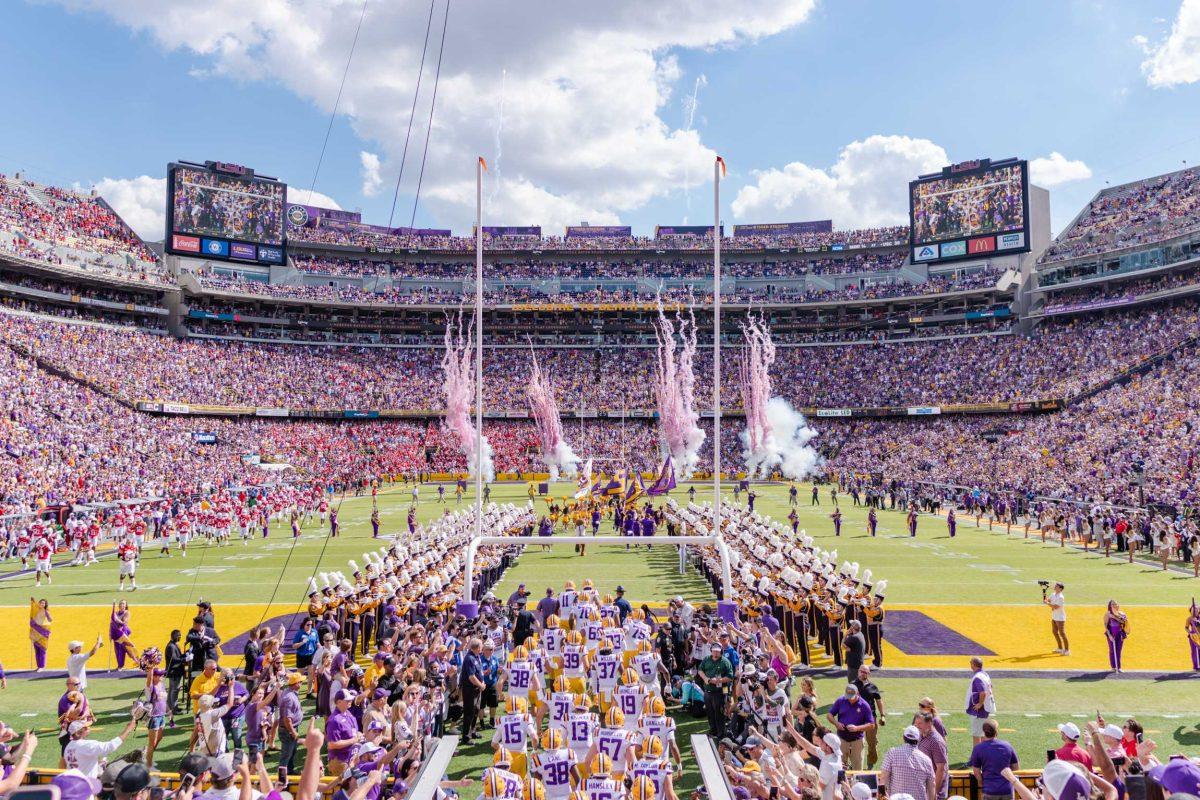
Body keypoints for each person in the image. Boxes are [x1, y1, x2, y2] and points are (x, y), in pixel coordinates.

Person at [63, 704, 145, 779]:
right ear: (78, 732)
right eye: (86, 727)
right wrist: (128, 730)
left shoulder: (69, 746)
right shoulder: (87, 745)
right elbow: (111, 746)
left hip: (73, 782)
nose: (88, 727)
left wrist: (98, 763)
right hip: (86, 786)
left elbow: (80, 761)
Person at [880, 725, 936, 800]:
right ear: (918, 739)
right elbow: (932, 787)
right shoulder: (927, 760)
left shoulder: (892, 753)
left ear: (904, 738)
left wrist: (884, 796)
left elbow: (883, 780)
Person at [826, 683, 875, 770]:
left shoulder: (864, 705)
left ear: (858, 694)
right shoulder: (841, 700)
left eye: (852, 697)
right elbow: (829, 715)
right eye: (848, 697)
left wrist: (857, 728)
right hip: (841, 740)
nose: (850, 699)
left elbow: (871, 725)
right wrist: (836, 723)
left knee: (857, 769)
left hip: (857, 742)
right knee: (840, 768)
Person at [969, 720, 1019, 800]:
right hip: (1007, 789)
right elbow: (1016, 767)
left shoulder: (978, 748)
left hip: (989, 790)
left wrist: (981, 781)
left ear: (984, 732)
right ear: (996, 731)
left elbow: (976, 771)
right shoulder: (1007, 746)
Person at [697, 642, 734, 740]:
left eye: (717, 651)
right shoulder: (706, 660)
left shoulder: (725, 662)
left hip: (719, 692)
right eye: (714, 651)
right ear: (711, 651)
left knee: (719, 713)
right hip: (708, 691)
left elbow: (730, 677)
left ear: (721, 651)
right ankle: (713, 730)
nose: (716, 653)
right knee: (710, 712)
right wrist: (705, 678)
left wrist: (719, 680)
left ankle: (721, 733)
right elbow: (700, 670)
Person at [853, 664, 885, 769]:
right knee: (854, 742)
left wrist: (882, 715)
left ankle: (870, 765)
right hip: (856, 718)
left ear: (868, 674)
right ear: (858, 671)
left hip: (871, 719)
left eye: (865, 672)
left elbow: (879, 702)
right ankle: (855, 765)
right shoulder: (852, 685)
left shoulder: (873, 687)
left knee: (872, 742)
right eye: (861, 671)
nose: (863, 673)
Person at [966, 657, 995, 745]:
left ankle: (977, 758)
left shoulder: (978, 677)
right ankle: (983, 756)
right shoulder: (985, 674)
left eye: (970, 663)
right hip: (986, 708)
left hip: (979, 711)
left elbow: (983, 692)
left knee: (976, 735)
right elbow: (990, 688)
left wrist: (980, 703)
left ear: (973, 665)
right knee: (983, 735)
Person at [1103, 600, 1128, 673]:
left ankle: (1119, 667)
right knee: (1112, 651)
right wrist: (1110, 635)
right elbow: (1105, 625)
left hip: (1120, 634)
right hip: (1111, 634)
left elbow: (1123, 622)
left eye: (1116, 604)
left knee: (1118, 650)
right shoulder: (1107, 614)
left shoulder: (1122, 613)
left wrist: (1114, 617)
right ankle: (1113, 667)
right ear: (1110, 606)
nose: (1114, 605)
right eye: (1112, 604)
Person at [1045, 582, 1069, 655]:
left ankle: (1067, 650)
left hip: (1060, 618)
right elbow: (1048, 600)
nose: (1055, 587)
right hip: (1054, 616)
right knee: (1055, 632)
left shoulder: (1061, 597)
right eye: (1055, 586)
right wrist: (1044, 594)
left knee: (1062, 633)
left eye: (1057, 586)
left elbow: (1055, 607)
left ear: (1060, 589)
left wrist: (1047, 603)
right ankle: (1060, 648)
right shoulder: (1053, 594)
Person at [29, 597, 52, 672]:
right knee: (37, 650)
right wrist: (33, 601)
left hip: (43, 632)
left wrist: (48, 615)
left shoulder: (46, 611)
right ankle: (38, 666)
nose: (42, 604)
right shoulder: (35, 610)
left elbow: (50, 620)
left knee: (42, 650)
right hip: (35, 631)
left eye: (43, 603)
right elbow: (33, 608)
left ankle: (42, 666)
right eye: (41, 602)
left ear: (45, 605)